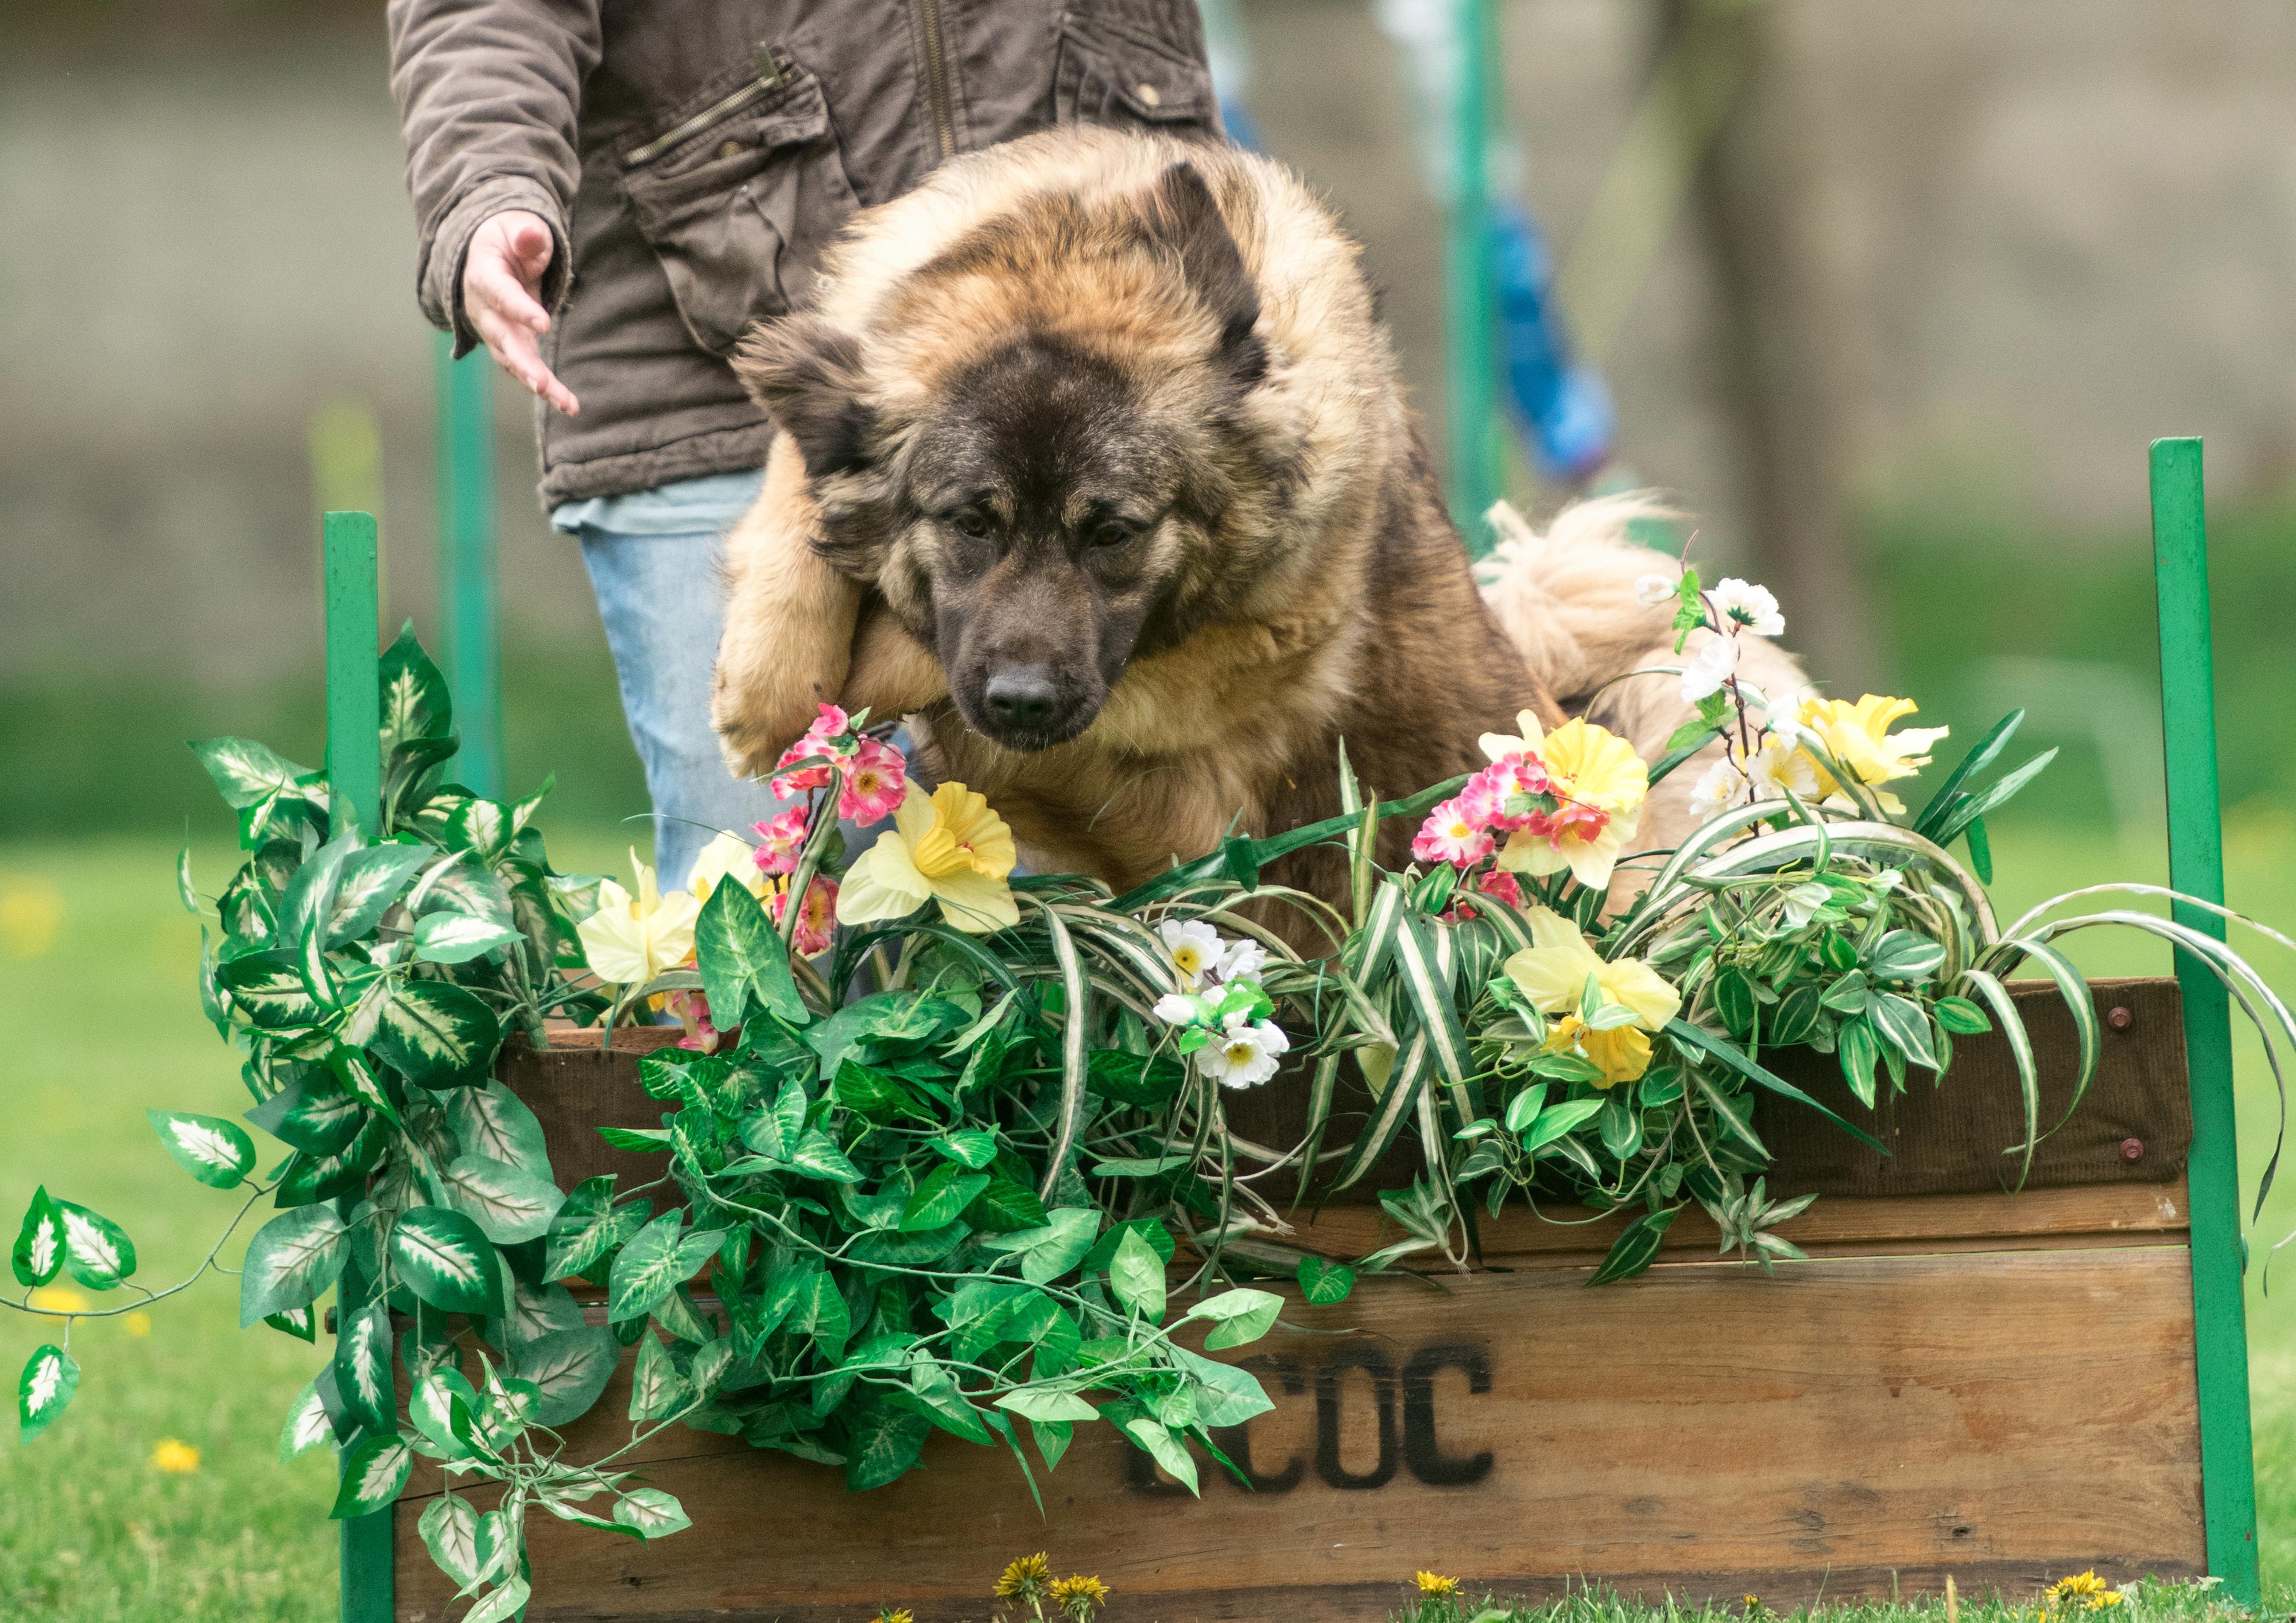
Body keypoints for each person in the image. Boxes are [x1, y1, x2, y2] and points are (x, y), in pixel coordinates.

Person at [387, 1, 1223, 886]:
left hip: (1106, 375)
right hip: (712, 366)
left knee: (1088, 948)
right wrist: (489, 191)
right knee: (769, 920)